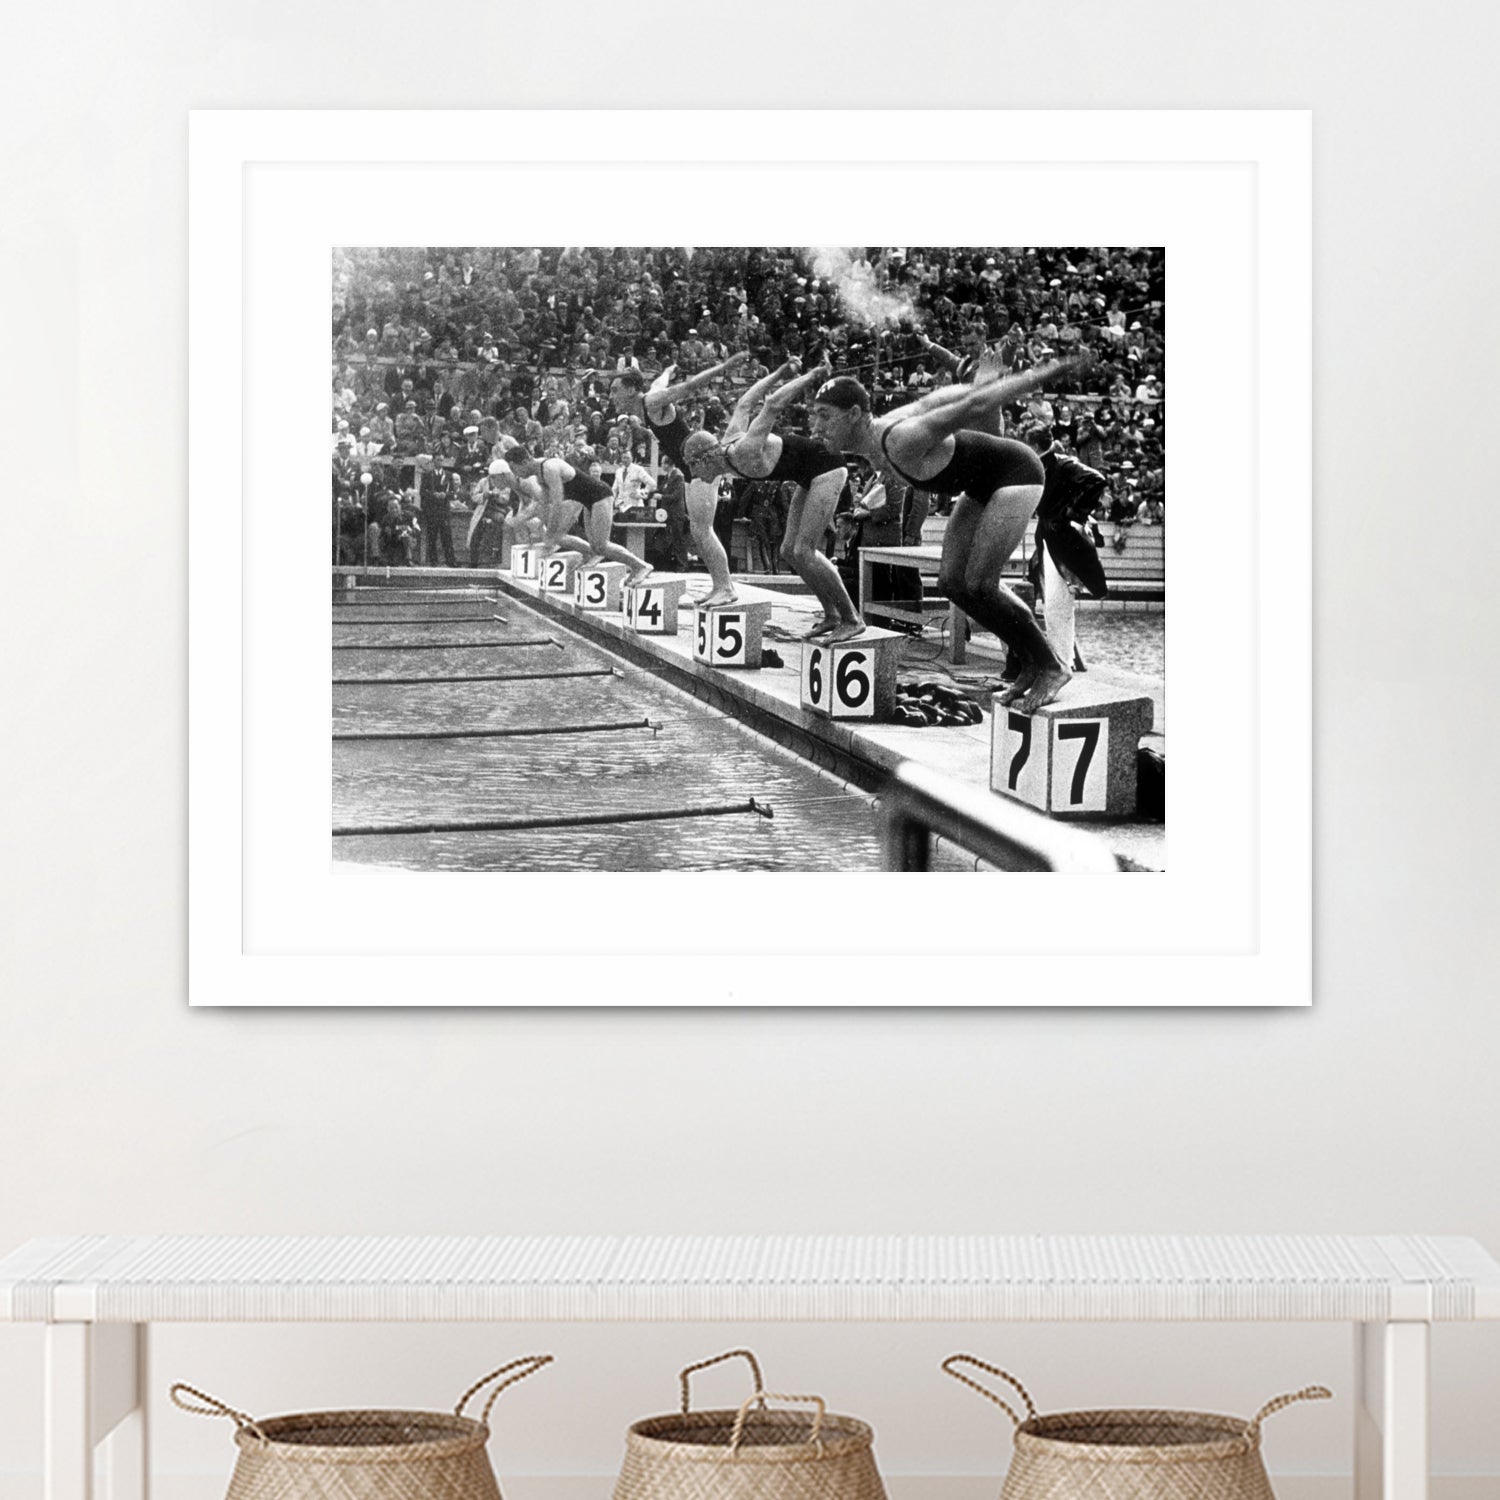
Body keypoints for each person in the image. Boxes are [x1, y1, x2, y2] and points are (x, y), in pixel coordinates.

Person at [808, 353, 1084, 710]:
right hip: (980, 484)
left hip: (1017, 473)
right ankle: (1029, 661)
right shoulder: (882, 438)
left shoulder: (899, 438)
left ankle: (1051, 665)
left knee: (982, 582)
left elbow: (976, 403)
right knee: (953, 583)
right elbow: (940, 398)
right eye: (814, 416)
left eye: (824, 416)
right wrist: (975, 381)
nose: (815, 427)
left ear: (855, 415)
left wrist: (1051, 369)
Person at [682, 359, 863, 641]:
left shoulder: (743, 449)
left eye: (693, 467)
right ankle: (831, 614)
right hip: (807, 473)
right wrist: (779, 371)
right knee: (789, 551)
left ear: (706, 457)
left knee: (804, 551)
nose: (693, 475)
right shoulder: (729, 441)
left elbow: (772, 405)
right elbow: (746, 401)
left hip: (827, 466)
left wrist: (812, 374)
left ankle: (852, 618)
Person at [607, 354, 748, 607]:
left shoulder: (652, 402)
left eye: (616, 390)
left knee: (702, 530)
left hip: (701, 463)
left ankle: (725, 587)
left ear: (630, 390)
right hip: (691, 465)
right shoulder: (649, 398)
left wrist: (725, 367)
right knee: (699, 530)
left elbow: (689, 387)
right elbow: (662, 380)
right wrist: (669, 369)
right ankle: (720, 586)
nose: (612, 396)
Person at [1023, 424, 1110, 676]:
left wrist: (1074, 513)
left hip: (1062, 536)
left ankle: (1062, 661)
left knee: (1057, 603)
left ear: (1037, 445)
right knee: (1054, 602)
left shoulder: (1063, 464)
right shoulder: (1041, 465)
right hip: (1049, 536)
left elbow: (1096, 480)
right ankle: (1065, 659)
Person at [503, 446, 653, 584]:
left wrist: (550, 532)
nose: (515, 474)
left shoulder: (549, 468)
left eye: (514, 469)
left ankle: (641, 566)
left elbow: (557, 503)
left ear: (524, 462)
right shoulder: (538, 475)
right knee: (596, 547)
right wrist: (538, 525)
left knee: (602, 545)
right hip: (587, 501)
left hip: (600, 496)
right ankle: (599, 558)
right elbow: (542, 503)